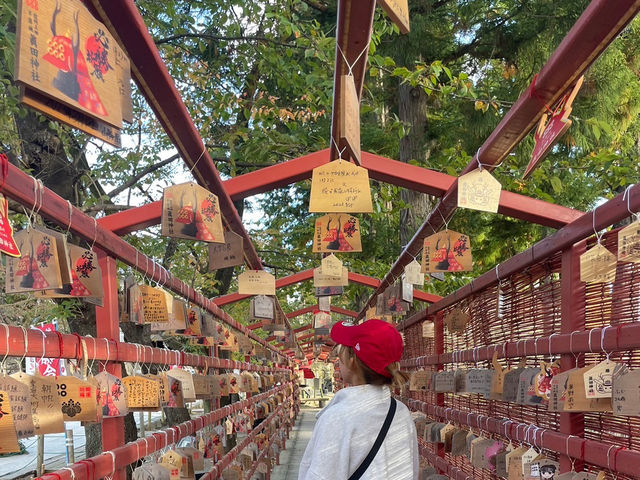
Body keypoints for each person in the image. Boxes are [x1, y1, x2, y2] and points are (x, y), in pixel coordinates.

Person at [298, 319, 419, 480]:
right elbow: (411, 468)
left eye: (342, 349)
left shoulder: (337, 418)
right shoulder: (400, 411)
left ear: (352, 359)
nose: (338, 358)